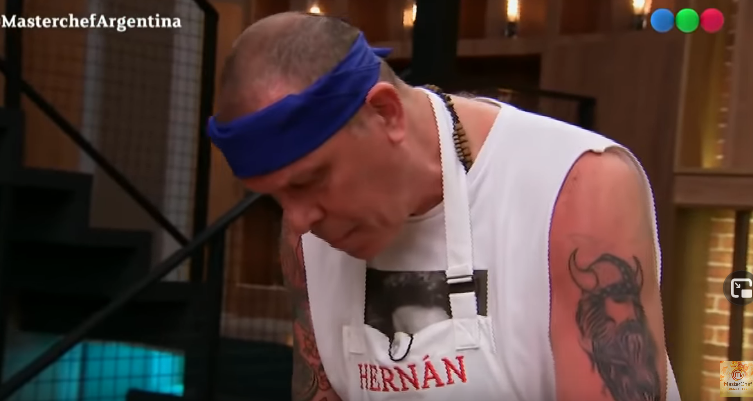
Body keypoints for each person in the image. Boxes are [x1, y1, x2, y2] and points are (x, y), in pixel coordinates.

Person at [208, 11, 682, 401]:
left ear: (385, 113)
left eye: (310, 180)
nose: (298, 219)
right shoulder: (303, 238)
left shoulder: (576, 186)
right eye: (276, 197)